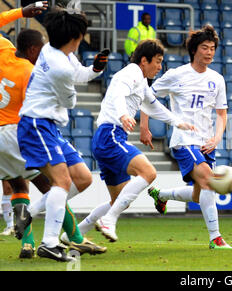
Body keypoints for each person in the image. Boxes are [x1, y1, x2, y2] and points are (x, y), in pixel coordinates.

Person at [73, 39, 194, 243]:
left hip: (108, 137)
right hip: (110, 134)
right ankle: (109, 220)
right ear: (144, 60)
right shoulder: (131, 73)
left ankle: (75, 233)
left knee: (118, 200)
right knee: (148, 173)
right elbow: (119, 94)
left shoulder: (142, 81)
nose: (159, 66)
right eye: (157, 61)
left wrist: (177, 122)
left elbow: (153, 106)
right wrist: (122, 115)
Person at [16, 7, 110, 262]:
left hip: (49, 126)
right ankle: (49, 243)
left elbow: (79, 73)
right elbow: (69, 101)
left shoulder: (54, 50)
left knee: (82, 177)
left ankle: (29, 213)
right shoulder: (59, 67)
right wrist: (77, 79)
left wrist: (94, 70)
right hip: (37, 124)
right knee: (62, 182)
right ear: (76, 37)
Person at [142, 25, 232, 249]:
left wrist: (216, 138)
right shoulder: (177, 75)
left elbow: (222, 114)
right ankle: (216, 238)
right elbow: (147, 97)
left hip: (206, 143)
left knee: (198, 194)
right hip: (183, 140)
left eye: (212, 48)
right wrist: (144, 126)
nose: (209, 52)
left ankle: (161, 195)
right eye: (204, 48)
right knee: (210, 182)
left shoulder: (217, 79)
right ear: (194, 50)